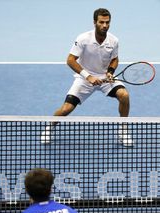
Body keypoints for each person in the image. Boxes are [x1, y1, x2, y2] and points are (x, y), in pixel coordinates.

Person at [41, 8, 132, 146]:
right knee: (66, 109)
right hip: (84, 78)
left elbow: (115, 59)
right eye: (101, 22)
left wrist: (110, 72)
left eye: (107, 22)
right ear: (94, 22)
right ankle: (49, 128)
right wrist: (88, 76)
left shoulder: (114, 40)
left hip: (105, 78)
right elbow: (70, 60)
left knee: (124, 95)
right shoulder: (83, 39)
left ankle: (123, 130)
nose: (105, 26)